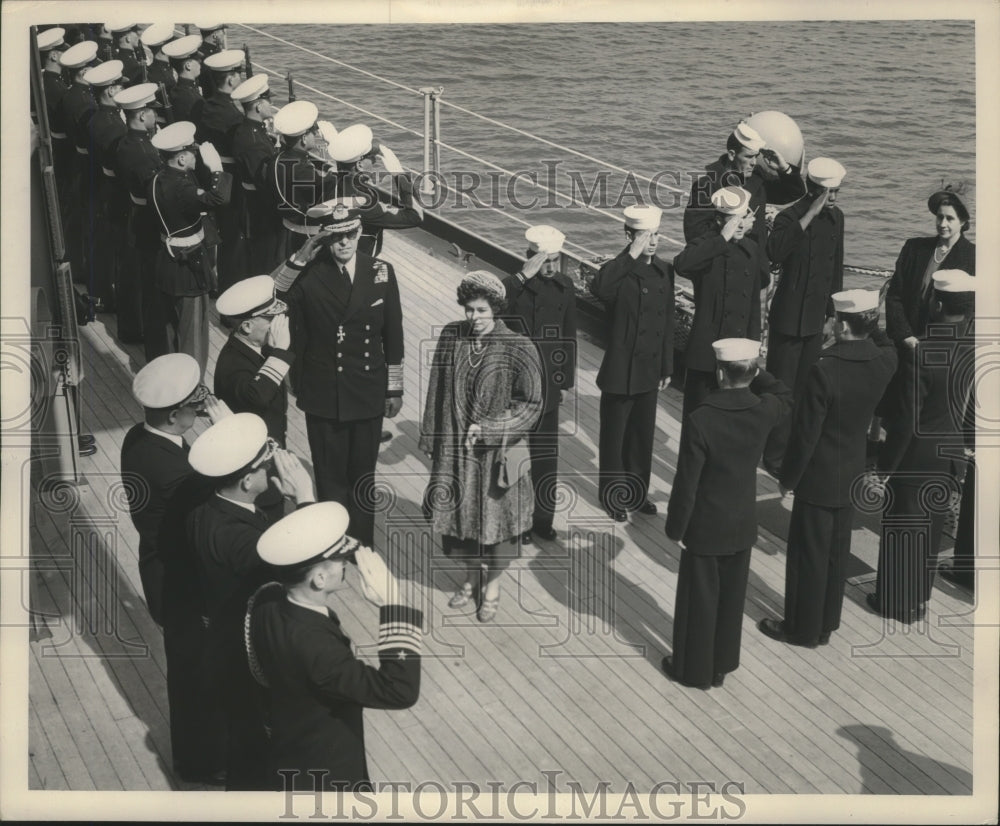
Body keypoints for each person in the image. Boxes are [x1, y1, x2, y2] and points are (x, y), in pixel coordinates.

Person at [247, 502, 423, 792]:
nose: (346, 564)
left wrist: (305, 502)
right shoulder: (317, 648)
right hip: (326, 773)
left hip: (290, 745)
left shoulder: (269, 601)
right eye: (341, 560)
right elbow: (398, 690)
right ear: (319, 579)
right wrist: (394, 603)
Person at [758, 290, 897, 648]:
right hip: (851, 471)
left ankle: (800, 630)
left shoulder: (825, 369)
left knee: (808, 557)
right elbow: (886, 342)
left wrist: (787, 479)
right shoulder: (883, 361)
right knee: (836, 553)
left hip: (818, 477)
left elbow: (805, 436)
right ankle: (825, 624)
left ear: (840, 323)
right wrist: (875, 315)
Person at [186, 413, 317, 789]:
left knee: (245, 747)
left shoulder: (207, 511)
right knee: (261, 757)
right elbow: (304, 572)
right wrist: (304, 498)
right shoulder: (242, 540)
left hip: (221, 645)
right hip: (249, 659)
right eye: (267, 458)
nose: (275, 461)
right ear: (247, 481)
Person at [119, 353, 231, 783]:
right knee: (198, 679)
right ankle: (203, 764)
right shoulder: (174, 473)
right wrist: (228, 434)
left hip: (161, 572)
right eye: (194, 405)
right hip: (185, 587)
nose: (200, 408)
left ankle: (196, 756)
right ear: (172, 415)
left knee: (189, 675)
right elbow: (217, 507)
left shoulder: (138, 438)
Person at [663, 339, 792, 690]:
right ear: (751, 372)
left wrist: (676, 527)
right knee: (731, 598)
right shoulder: (764, 409)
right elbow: (784, 394)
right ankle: (721, 664)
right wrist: (757, 372)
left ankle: (693, 670)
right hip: (742, 522)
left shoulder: (701, 419)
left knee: (699, 599)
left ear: (719, 373)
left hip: (706, 524)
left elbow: (687, 480)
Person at [419, 271, 544, 621]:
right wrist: (431, 435)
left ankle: (493, 588)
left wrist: (490, 428)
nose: (473, 318)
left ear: (496, 310)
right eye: (469, 310)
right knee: (460, 527)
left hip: (497, 459)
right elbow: (435, 390)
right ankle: (472, 580)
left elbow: (531, 405)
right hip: (455, 453)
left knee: (498, 529)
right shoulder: (450, 336)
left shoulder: (519, 346)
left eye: (481, 311)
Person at [279, 201, 404, 546]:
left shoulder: (381, 271)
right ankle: (334, 543)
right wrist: (298, 259)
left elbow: (393, 332)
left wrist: (394, 389)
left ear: (360, 232)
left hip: (368, 389)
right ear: (325, 240)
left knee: (362, 476)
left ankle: (361, 545)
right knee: (330, 476)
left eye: (350, 234)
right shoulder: (309, 273)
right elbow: (273, 296)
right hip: (323, 391)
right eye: (336, 237)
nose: (344, 243)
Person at [869, 270, 976, 623]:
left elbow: (906, 421)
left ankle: (894, 604)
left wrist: (884, 469)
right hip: (950, 454)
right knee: (929, 532)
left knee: (902, 528)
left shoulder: (923, 351)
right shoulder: (974, 347)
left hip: (916, 456)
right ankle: (918, 599)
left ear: (938, 303)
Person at [762, 157, 846, 475]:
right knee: (781, 389)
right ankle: (773, 455)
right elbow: (775, 252)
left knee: (805, 390)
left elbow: (835, 270)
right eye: (829, 192)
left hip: (814, 320)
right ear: (813, 190)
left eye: (837, 192)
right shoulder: (790, 217)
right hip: (787, 317)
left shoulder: (837, 220)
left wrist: (832, 316)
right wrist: (809, 213)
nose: (834, 199)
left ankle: (794, 452)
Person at [589, 205, 673, 521]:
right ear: (629, 235)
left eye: (655, 235)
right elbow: (600, 289)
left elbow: (665, 323)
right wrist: (632, 252)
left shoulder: (665, 270)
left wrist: (667, 365)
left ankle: (637, 496)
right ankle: (613, 497)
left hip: (650, 368)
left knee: (641, 438)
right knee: (614, 438)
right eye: (643, 236)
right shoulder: (619, 270)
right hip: (622, 369)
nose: (651, 241)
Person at [880, 186, 976, 436]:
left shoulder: (974, 258)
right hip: (908, 341)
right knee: (899, 407)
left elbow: (970, 311)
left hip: (943, 349)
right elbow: (895, 295)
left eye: (950, 218)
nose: (942, 223)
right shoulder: (915, 248)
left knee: (929, 413)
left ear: (964, 221)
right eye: (939, 217)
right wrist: (905, 336)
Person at [502, 225, 577, 543]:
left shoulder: (565, 286)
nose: (550, 268)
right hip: (517, 389)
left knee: (546, 460)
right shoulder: (515, 288)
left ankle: (542, 521)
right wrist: (521, 277)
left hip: (547, 387)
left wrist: (564, 380)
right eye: (544, 261)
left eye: (555, 260)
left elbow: (567, 335)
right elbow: (492, 305)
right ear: (529, 258)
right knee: (515, 461)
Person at [148, 119, 233, 373]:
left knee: (170, 328)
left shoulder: (157, 180)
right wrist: (217, 169)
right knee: (193, 334)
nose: (196, 156)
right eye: (192, 153)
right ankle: (192, 389)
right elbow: (219, 198)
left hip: (167, 260)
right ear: (182, 159)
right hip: (189, 266)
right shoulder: (183, 189)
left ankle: (172, 378)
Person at [673, 186, 760, 420]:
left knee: (731, 422)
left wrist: (754, 349)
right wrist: (722, 239)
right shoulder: (705, 246)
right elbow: (681, 265)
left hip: (738, 353)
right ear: (720, 220)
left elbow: (753, 303)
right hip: (706, 353)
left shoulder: (751, 249)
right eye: (734, 220)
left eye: (744, 218)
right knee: (697, 419)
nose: (740, 225)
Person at [214, 274, 296, 523]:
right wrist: (281, 351)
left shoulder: (253, 348)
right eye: (270, 319)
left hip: (267, 459)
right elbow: (257, 396)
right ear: (247, 326)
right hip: (251, 474)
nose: (278, 324)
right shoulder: (233, 365)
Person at [684, 122, 771, 289]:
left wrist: (785, 168)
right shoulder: (706, 185)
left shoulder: (756, 179)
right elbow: (695, 235)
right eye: (748, 157)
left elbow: (791, 192)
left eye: (756, 156)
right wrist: (735, 228)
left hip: (754, 274)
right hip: (717, 274)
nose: (754, 162)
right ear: (732, 154)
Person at [113, 82, 164, 349]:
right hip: (148, 218)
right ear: (143, 115)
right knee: (150, 280)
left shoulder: (127, 142)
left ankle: (133, 327)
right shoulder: (145, 152)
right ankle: (147, 333)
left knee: (135, 275)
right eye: (152, 112)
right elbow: (158, 191)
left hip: (135, 211)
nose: (155, 116)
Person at [328, 123, 424, 259]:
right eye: (371, 157)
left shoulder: (333, 181)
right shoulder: (365, 201)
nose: (374, 161)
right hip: (359, 262)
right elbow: (416, 216)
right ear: (359, 165)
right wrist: (400, 175)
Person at [196, 48, 247, 292]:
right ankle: (229, 287)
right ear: (230, 79)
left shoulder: (207, 106)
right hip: (231, 179)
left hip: (210, 173)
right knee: (233, 237)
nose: (240, 78)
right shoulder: (232, 116)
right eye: (238, 74)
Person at [264, 99, 340, 256]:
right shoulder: (301, 169)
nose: (315, 135)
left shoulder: (278, 158)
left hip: (285, 229)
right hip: (305, 235)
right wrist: (335, 145)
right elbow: (337, 185)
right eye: (313, 132)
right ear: (304, 138)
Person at [83, 59, 129, 315]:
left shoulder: (99, 117)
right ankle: (112, 298)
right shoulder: (113, 126)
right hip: (116, 191)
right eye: (120, 86)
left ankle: (103, 294)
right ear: (111, 90)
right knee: (117, 247)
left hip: (104, 186)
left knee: (106, 244)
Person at [56, 39, 100, 290]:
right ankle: (84, 268)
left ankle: (80, 264)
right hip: (85, 162)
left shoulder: (71, 94)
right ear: (84, 72)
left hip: (76, 158)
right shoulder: (85, 101)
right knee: (87, 216)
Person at [230, 73, 284, 274]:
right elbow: (264, 180)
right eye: (269, 101)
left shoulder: (252, 131)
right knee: (265, 260)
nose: (272, 104)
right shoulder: (253, 141)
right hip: (260, 210)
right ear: (259, 106)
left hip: (256, 205)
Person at [162, 34, 205, 123]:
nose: (200, 62)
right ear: (188, 65)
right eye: (197, 60)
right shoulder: (190, 96)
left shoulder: (177, 89)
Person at [107, 23, 144, 88]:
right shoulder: (129, 62)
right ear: (128, 38)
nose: (138, 37)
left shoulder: (122, 57)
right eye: (135, 33)